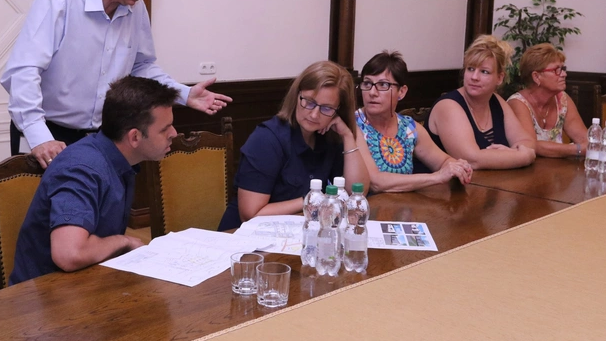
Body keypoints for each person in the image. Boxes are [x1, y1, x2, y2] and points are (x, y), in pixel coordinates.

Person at [1, 0, 231, 169]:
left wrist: (183, 93)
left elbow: (141, 67)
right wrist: (39, 136)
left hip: (106, 136)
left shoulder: (136, 9)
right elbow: (24, 70)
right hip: (50, 134)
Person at [8, 75, 179, 285]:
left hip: (88, 283)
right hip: (44, 295)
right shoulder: (82, 168)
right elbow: (69, 254)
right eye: (165, 129)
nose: (174, 133)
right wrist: (123, 241)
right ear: (134, 137)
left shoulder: (118, 160)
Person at [217, 61, 370, 231]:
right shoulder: (266, 139)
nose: (314, 114)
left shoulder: (328, 137)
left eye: (326, 108)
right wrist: (311, 200)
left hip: (297, 232)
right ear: (297, 96)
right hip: (242, 236)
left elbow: (357, 192)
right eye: (309, 102)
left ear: (338, 111)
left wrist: (347, 135)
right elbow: (250, 214)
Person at [354, 51, 472, 192]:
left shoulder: (408, 128)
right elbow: (375, 181)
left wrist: (459, 167)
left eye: (383, 85)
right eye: (367, 83)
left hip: (406, 205)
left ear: (402, 92)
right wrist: (436, 177)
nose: (372, 92)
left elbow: (444, 162)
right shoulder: (353, 125)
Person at [425, 35, 536, 170]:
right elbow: (471, 160)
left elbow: (527, 142)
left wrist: (513, 153)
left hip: (493, 181)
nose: (474, 77)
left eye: (484, 72)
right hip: (441, 183)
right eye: (470, 69)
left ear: (499, 78)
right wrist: (522, 157)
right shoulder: (448, 106)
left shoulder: (496, 101)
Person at [507, 44, 588, 158]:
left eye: (563, 69)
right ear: (536, 77)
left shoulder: (562, 99)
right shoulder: (517, 103)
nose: (564, 74)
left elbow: (586, 141)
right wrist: (577, 149)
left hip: (557, 168)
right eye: (556, 70)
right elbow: (530, 145)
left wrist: (581, 147)